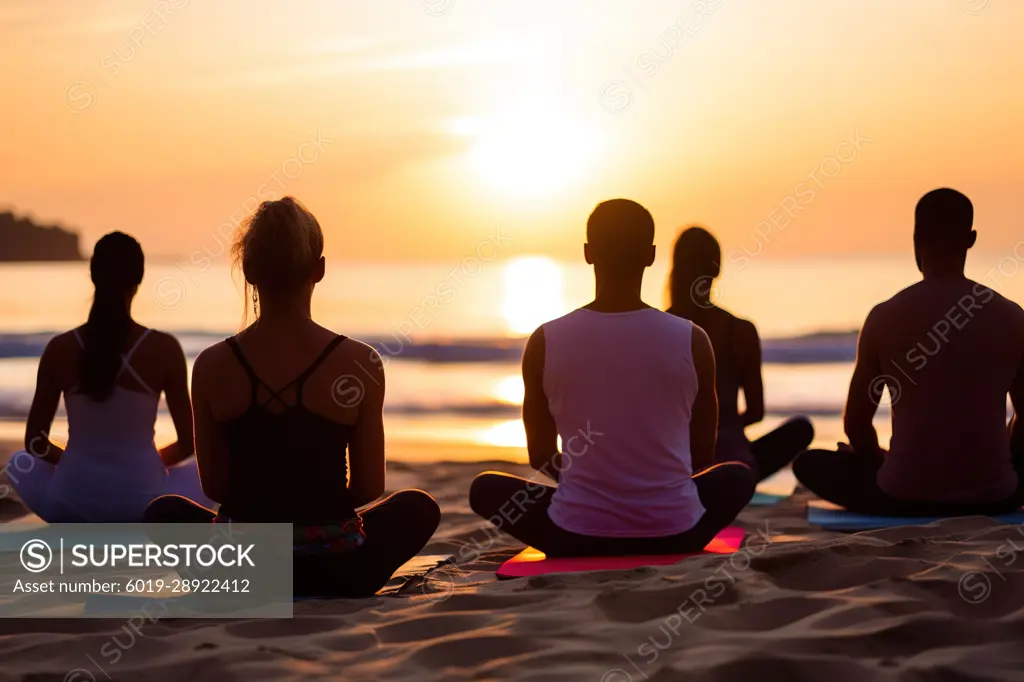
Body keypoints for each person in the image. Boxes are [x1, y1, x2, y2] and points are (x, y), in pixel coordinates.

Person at [143, 197, 440, 597]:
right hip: (338, 569)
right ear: (318, 269)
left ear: (248, 271)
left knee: (163, 513)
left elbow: (215, 488)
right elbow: (369, 486)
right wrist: (317, 514)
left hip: (243, 569)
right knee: (418, 507)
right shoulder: (360, 362)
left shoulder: (213, 364)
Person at [469, 199, 755, 557]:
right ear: (651, 256)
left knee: (484, 489)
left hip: (574, 536)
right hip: (676, 532)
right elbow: (700, 455)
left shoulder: (544, 341)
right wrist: (648, 484)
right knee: (738, 478)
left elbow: (540, 455)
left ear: (588, 253)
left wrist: (595, 485)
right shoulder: (693, 340)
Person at [793, 188, 1024, 516]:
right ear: (970, 239)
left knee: (809, 463)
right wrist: (1004, 458)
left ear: (916, 238)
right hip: (996, 495)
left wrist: (877, 458)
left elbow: (857, 425)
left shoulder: (884, 316)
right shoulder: (1013, 317)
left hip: (903, 497)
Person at [8, 232, 211, 522]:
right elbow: (189, 443)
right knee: (207, 470)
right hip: (143, 506)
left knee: (19, 462)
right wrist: (147, 463)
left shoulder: (60, 348)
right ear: (138, 281)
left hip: (70, 504)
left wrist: (75, 462)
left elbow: (34, 443)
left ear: (93, 275)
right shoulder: (164, 349)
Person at [667, 227, 814, 480]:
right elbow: (756, 412)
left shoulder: (661, 328)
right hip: (734, 466)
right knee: (801, 429)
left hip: (674, 464)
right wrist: (726, 428)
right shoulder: (741, 331)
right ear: (716, 269)